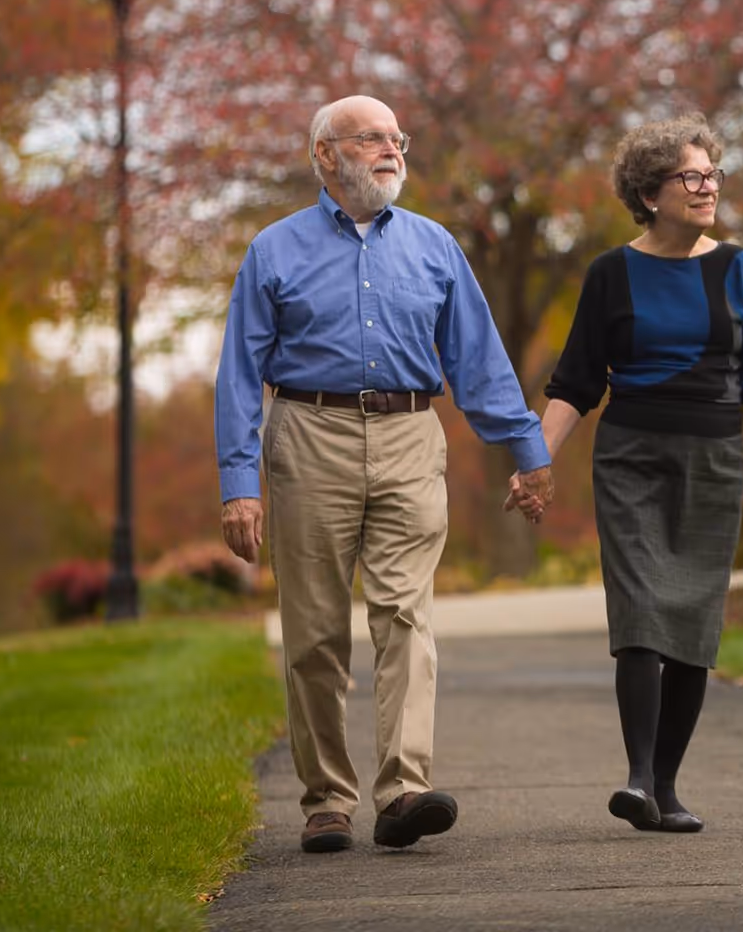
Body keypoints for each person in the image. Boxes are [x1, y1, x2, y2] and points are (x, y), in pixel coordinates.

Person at [215, 94, 554, 855]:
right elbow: (239, 372)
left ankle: (403, 790)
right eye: (371, 138)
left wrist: (528, 452)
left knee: (406, 614)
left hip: (409, 435)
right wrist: (240, 483)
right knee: (314, 632)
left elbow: (478, 360)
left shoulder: (435, 247)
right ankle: (327, 801)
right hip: (308, 434)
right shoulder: (273, 250)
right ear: (325, 156)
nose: (391, 148)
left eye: (397, 138)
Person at [510, 112, 743, 834]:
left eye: (711, 175)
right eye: (689, 177)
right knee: (640, 612)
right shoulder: (612, 273)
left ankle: (667, 789)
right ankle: (637, 779)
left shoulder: (738, 267)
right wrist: (534, 460)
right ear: (648, 192)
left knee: (693, 622)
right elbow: (576, 383)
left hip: (713, 459)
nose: (707, 188)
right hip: (632, 455)